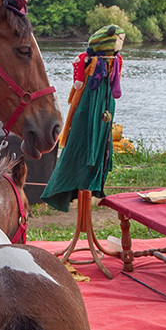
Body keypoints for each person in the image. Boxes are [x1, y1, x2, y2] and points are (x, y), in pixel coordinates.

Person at [42, 24, 124, 211]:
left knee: (100, 146)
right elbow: (79, 76)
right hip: (89, 104)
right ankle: (66, 187)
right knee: (83, 140)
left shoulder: (114, 62)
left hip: (105, 104)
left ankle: (92, 183)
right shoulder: (90, 62)